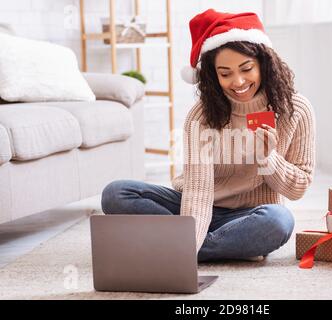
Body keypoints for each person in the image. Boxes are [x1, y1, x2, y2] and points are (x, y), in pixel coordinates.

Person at [101, 9, 315, 262]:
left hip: (248, 215)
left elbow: (296, 189)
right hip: (195, 204)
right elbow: (199, 191)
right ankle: (205, 245)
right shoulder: (202, 115)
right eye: (225, 73)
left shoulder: (296, 109)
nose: (238, 81)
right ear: (212, 76)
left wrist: (269, 159)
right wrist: (191, 239)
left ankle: (167, 246)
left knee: (279, 221)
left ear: (264, 64)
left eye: (247, 69)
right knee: (117, 194)